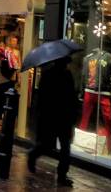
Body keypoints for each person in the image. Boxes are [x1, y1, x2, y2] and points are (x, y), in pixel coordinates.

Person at [27, 57, 79, 187]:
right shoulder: (64, 75)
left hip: (56, 115)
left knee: (62, 146)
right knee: (55, 145)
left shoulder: (50, 74)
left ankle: (61, 174)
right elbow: (71, 96)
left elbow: (43, 95)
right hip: (57, 115)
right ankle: (34, 155)